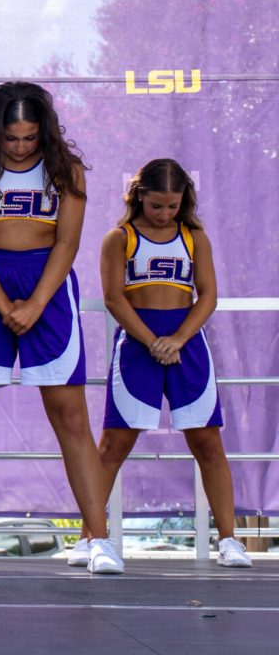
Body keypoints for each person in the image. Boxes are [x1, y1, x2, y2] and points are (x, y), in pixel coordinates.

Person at [0, 81, 123, 575]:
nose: (19, 147)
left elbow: (68, 242)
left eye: (29, 138)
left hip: (47, 290)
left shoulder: (65, 168)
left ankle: (97, 539)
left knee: (70, 419)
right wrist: (3, 302)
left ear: (43, 132)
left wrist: (34, 303)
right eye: (11, 138)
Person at [86, 159, 250, 568]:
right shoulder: (118, 238)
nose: (164, 214)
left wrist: (177, 339)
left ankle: (229, 540)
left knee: (208, 443)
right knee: (113, 445)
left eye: (172, 206)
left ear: (184, 201)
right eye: (157, 205)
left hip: (186, 343)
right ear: (139, 195)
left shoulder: (195, 238)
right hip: (138, 342)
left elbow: (207, 295)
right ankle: (91, 538)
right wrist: (152, 341)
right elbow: (113, 298)